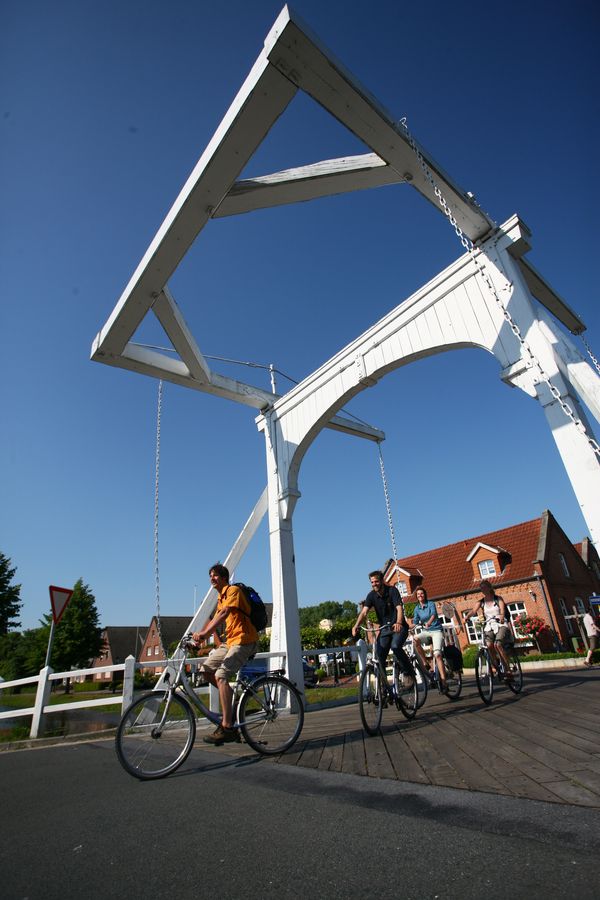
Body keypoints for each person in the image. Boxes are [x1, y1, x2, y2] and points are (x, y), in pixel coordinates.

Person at [192, 563, 258, 744]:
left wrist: (205, 633)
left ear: (223, 577)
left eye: (214, 575)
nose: (211, 579)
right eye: (210, 576)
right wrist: (196, 640)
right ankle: (230, 698)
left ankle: (227, 726)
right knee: (205, 670)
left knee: (221, 676)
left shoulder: (233, 590)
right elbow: (217, 617)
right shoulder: (221, 597)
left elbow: (225, 613)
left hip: (244, 640)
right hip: (231, 642)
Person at [352, 570, 413, 687]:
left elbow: (399, 608)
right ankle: (385, 689)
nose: (374, 584)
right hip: (385, 629)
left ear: (382, 581)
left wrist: (399, 622)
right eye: (372, 582)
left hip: (398, 628)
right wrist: (356, 625)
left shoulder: (392, 591)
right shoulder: (371, 596)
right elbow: (364, 612)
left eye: (376, 581)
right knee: (380, 656)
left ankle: (408, 672)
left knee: (395, 646)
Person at [411, 586, 448, 693]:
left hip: (436, 630)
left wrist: (429, 622)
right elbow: (415, 622)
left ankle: (444, 681)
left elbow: (433, 614)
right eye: (418, 594)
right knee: (416, 639)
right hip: (426, 632)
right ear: (416, 597)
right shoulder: (417, 608)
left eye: (421, 593)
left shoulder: (430, 604)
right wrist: (406, 627)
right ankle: (425, 662)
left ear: (425, 594)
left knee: (437, 655)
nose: (420, 596)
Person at [475, 579, 512, 678]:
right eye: (481, 588)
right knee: (488, 645)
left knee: (498, 644)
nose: (483, 590)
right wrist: (466, 617)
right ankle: (495, 666)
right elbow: (473, 610)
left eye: (484, 587)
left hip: (500, 624)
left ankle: (508, 670)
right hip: (489, 625)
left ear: (489, 588)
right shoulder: (481, 602)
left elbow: (502, 609)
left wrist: (501, 615)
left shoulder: (498, 599)